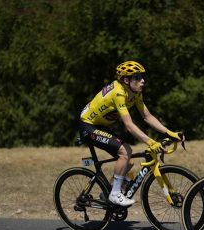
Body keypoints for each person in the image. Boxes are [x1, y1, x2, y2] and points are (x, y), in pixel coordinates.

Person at [79, 61, 184, 206]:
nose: (142, 81)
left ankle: (108, 192)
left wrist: (169, 133)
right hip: (88, 126)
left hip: (100, 125)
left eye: (143, 77)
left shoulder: (135, 93)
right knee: (125, 151)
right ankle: (115, 194)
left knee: (129, 161)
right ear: (126, 80)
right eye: (137, 77)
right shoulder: (118, 93)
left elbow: (147, 116)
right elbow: (129, 125)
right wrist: (151, 142)